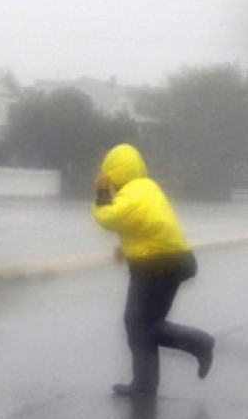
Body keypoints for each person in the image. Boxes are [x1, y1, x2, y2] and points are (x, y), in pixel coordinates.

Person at [92, 143, 216, 398]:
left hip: (155, 266)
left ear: (115, 172)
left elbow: (109, 218)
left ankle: (198, 344)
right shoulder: (148, 189)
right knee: (147, 325)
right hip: (171, 261)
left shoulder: (132, 194)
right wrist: (126, 251)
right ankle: (146, 385)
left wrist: (101, 191)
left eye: (108, 173)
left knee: (137, 324)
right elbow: (150, 228)